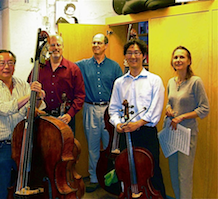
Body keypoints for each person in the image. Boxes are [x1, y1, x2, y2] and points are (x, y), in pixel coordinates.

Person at [0, 49, 45, 199]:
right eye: (1, 63)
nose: (6, 67)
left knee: (22, 187)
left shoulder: (22, 84)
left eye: (10, 63)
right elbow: (4, 108)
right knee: (2, 190)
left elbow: (38, 107)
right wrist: (30, 95)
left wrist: (39, 96)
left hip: (22, 144)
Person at [109, 39, 166, 198]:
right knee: (126, 171)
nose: (133, 56)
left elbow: (156, 109)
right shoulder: (119, 82)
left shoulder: (154, 80)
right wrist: (118, 123)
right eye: (129, 53)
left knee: (151, 171)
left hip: (146, 133)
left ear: (144, 56)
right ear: (125, 57)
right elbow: (113, 109)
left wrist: (139, 123)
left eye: (137, 53)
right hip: (126, 133)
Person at [76, 33, 123, 192]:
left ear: (106, 45)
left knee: (111, 147)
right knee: (93, 147)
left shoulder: (115, 66)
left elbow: (121, 89)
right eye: (94, 42)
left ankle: (112, 179)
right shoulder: (82, 65)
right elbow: (66, 68)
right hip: (90, 108)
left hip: (110, 110)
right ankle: (94, 179)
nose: (96, 45)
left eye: (99, 42)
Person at [165, 46, 209, 199]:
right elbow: (169, 102)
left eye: (182, 57)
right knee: (174, 173)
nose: (178, 60)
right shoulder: (171, 82)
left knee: (184, 176)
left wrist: (183, 117)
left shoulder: (195, 82)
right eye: (175, 57)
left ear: (189, 61)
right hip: (172, 133)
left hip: (187, 134)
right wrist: (168, 108)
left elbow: (204, 108)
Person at [28, 34, 85, 132]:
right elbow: (28, 89)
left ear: (63, 47)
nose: (56, 48)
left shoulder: (73, 69)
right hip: (43, 117)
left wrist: (69, 114)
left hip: (65, 118)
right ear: (48, 48)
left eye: (58, 45)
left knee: (66, 146)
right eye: (52, 45)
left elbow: (80, 96)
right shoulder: (38, 68)